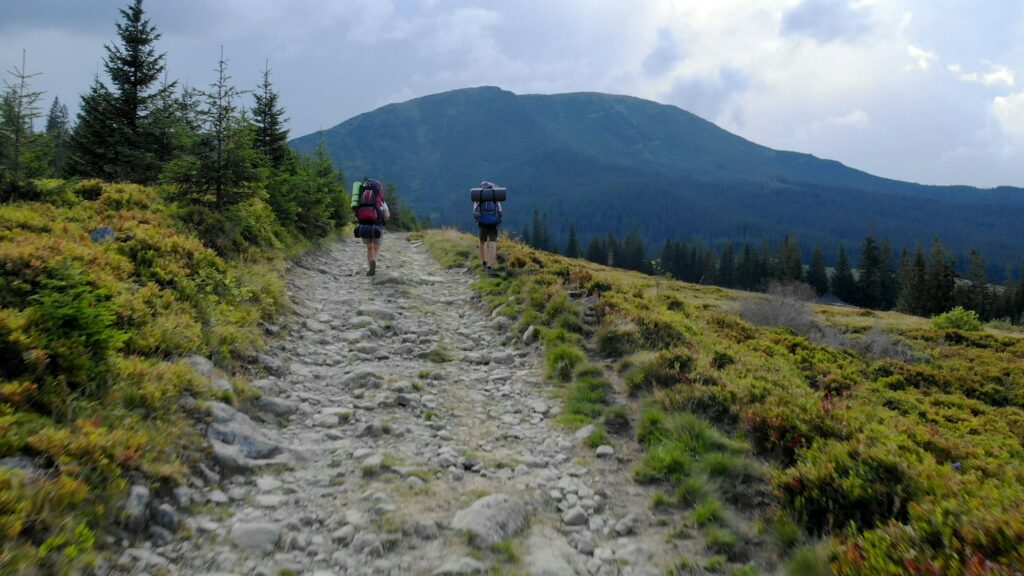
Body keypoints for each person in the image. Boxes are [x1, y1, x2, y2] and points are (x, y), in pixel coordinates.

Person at [352, 178, 390, 276]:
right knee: (376, 247)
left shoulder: (361, 198)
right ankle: (374, 262)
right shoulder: (380, 200)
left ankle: (370, 267)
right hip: (377, 227)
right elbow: (387, 215)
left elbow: (355, 211)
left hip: (364, 226)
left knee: (369, 248)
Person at [472, 181, 503, 276]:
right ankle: (490, 267)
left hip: (482, 223)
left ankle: (484, 263)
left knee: (482, 242)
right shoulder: (495, 196)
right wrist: (498, 221)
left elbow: (475, 211)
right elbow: (500, 211)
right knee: (493, 243)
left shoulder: (479, 196)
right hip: (493, 223)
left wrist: (478, 221)